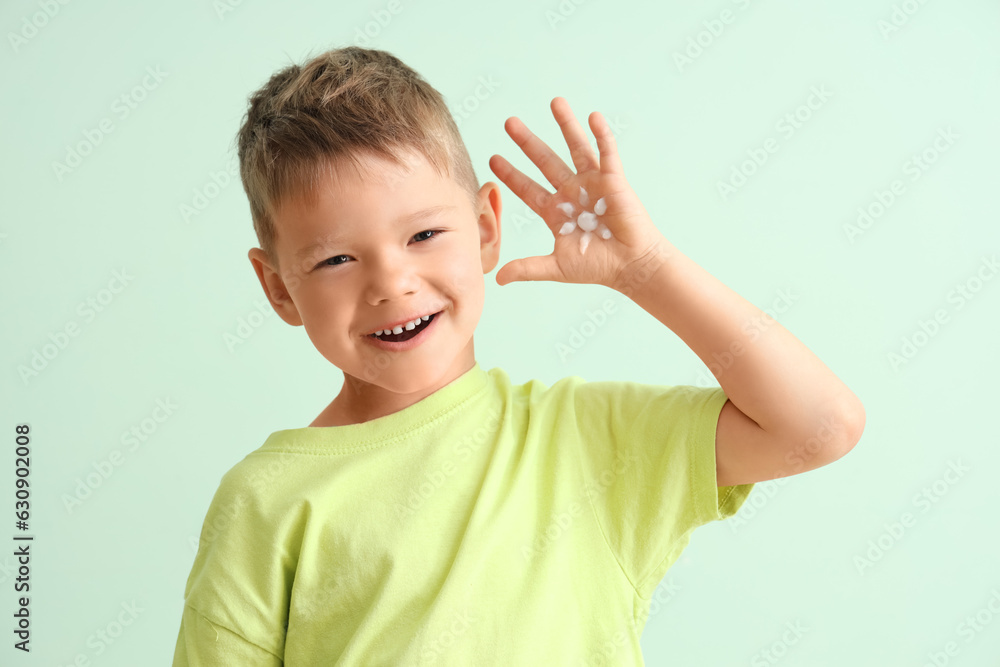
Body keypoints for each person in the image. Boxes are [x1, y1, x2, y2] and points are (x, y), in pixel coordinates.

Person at [171, 46, 865, 665]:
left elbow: (820, 426)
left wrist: (645, 268)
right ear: (278, 288)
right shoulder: (265, 500)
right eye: (337, 258)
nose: (392, 282)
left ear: (484, 230)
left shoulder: (585, 441)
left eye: (423, 235)